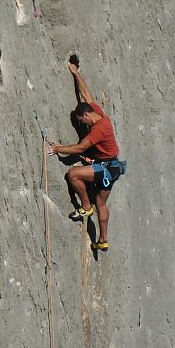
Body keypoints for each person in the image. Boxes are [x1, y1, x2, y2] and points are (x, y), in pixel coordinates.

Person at [48, 57, 124, 252]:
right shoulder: (99, 113)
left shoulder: (98, 129)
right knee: (102, 203)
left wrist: (58, 149)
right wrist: (76, 73)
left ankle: (85, 207)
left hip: (105, 168)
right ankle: (103, 240)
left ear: (86, 115)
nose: (83, 124)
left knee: (73, 174)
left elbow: (80, 148)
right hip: (113, 167)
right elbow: (86, 94)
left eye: (82, 120)